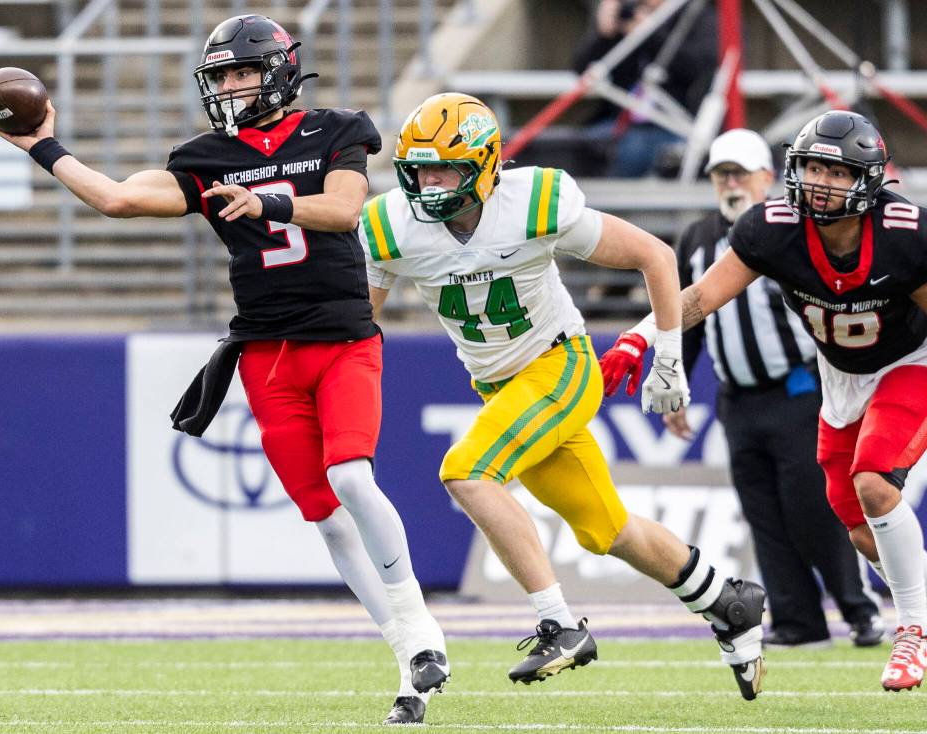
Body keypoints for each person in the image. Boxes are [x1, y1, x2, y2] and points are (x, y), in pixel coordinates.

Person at [0, 14, 447, 725]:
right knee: (326, 520)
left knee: (352, 475)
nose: (232, 87)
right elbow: (118, 199)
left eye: (242, 72)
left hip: (341, 338)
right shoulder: (207, 156)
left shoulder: (335, 128)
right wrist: (42, 146)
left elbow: (344, 208)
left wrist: (270, 198)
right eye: (222, 77)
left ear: (280, 70)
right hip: (266, 355)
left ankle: (421, 629)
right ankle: (405, 658)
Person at [359, 92, 767, 700]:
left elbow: (655, 257)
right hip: (501, 387)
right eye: (419, 168)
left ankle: (558, 623)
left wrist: (670, 359)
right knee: (607, 531)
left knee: (466, 471)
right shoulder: (390, 224)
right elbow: (358, 326)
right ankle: (726, 601)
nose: (429, 183)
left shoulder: (532, 202)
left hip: (560, 366)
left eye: (444, 168)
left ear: (485, 164)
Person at [601, 110, 927, 691]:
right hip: (840, 376)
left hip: (909, 363)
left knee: (875, 482)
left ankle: (913, 633)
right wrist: (639, 336)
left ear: (869, 181)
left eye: (836, 171)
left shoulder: (905, 236)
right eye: (812, 167)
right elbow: (700, 297)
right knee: (856, 527)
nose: (820, 182)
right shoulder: (772, 228)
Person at [665, 127, 884, 649]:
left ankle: (860, 610)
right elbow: (691, 318)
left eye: (740, 172)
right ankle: (796, 620)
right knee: (763, 516)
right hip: (736, 400)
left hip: (796, 390)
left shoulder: (791, 232)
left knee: (813, 509)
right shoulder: (697, 237)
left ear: (768, 176)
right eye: (722, 174)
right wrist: (674, 380)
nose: (731, 182)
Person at [571, 0, 717, 177]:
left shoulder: (695, 15)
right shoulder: (629, 13)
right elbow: (582, 69)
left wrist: (651, 33)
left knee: (633, 148)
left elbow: (699, 68)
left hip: (675, 124)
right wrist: (604, 34)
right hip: (620, 121)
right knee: (569, 146)